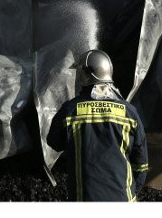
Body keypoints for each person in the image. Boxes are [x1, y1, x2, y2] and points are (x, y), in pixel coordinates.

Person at [47, 49, 148, 202]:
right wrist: (131, 191)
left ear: (85, 74)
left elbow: (54, 142)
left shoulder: (70, 110)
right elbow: (141, 164)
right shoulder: (129, 112)